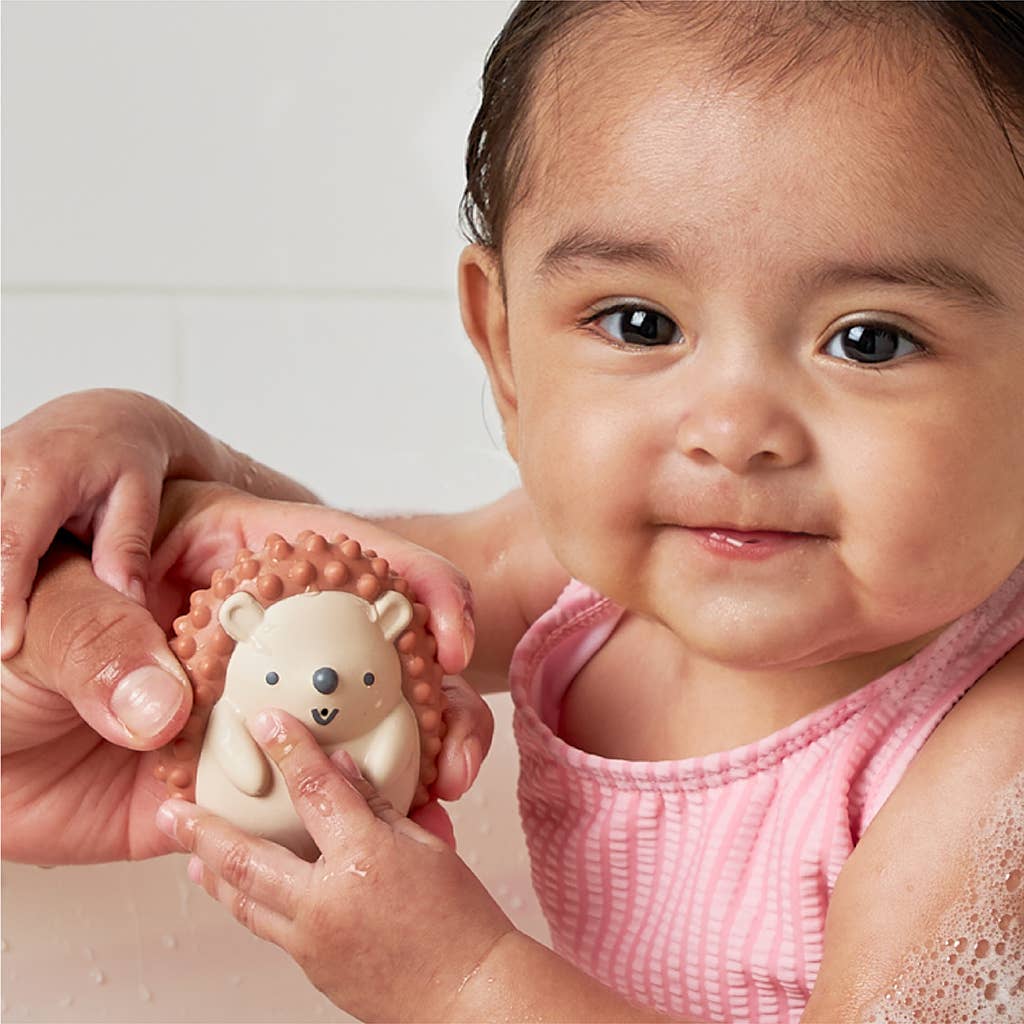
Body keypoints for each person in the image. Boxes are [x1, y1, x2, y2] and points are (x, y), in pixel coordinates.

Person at [3, 2, 1023, 1021]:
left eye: (870, 341)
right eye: (640, 322)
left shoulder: (991, 759)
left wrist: (462, 982)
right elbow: (327, 589)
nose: (732, 429)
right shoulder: (582, 571)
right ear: (503, 349)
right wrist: (159, 476)